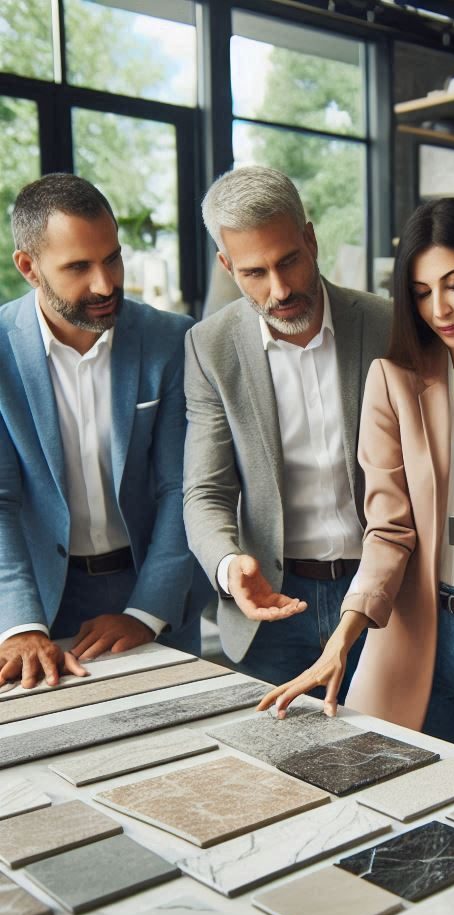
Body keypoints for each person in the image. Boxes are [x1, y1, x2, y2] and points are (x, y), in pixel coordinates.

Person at [258, 198, 454, 769]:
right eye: (423, 292)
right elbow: (388, 531)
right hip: (413, 632)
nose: (440, 308)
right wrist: (342, 639)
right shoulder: (393, 382)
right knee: (410, 816)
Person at [183, 166, 391, 687]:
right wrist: (231, 567)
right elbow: (204, 492)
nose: (279, 290)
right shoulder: (210, 346)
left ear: (311, 238)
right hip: (274, 607)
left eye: (289, 261)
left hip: (383, 594)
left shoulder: (388, 325)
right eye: (254, 272)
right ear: (228, 266)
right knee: (272, 765)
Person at [0, 173, 202, 687]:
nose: (106, 284)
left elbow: (182, 488)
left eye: (112, 257)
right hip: (39, 597)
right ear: (29, 267)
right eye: (78, 267)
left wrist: (145, 611)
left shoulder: (172, 340)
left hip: (150, 592)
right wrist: (21, 625)